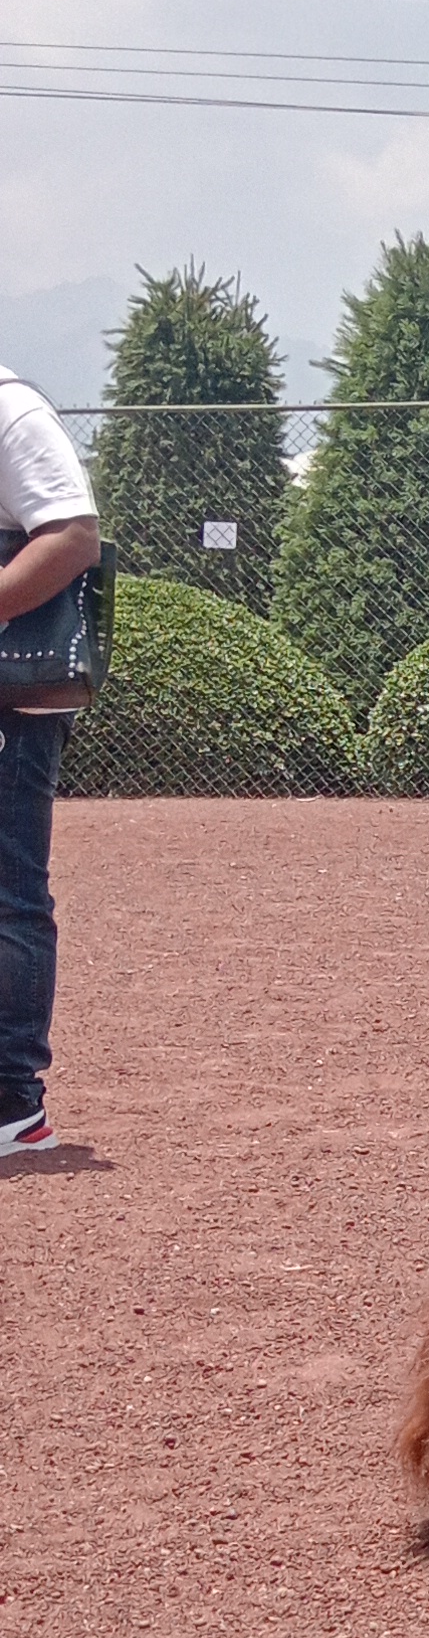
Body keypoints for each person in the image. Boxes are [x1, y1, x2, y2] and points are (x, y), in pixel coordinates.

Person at [0, 364, 99, 1155]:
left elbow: (72, 535)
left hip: (9, 700)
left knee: (7, 893)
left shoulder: (9, 410)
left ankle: (12, 1102)